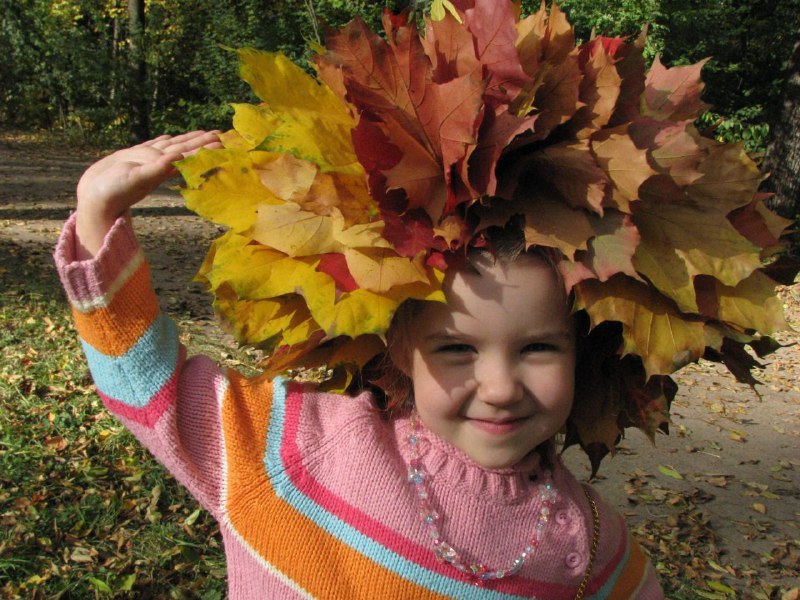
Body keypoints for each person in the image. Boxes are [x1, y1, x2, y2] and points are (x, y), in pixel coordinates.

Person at [55, 3, 790, 598]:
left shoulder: (587, 546)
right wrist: (96, 221)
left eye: (538, 347)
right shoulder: (297, 450)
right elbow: (151, 388)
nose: (500, 387)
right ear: (400, 346)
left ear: (583, 344)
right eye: (456, 349)